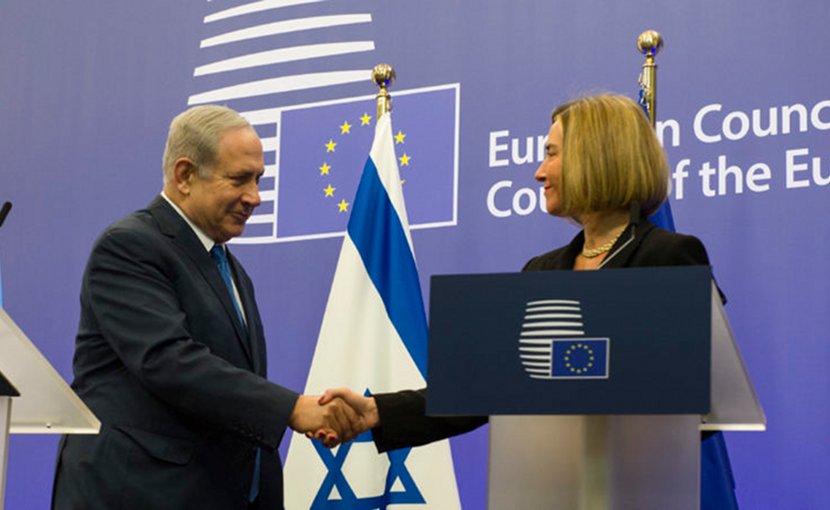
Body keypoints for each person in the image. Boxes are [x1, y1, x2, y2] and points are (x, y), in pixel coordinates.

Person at [317, 94, 737, 506]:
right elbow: (484, 387)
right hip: (550, 491)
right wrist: (375, 412)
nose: (539, 172)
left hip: (636, 492)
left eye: (551, 153)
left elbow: (702, 390)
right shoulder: (542, 271)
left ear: (598, 156)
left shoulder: (669, 256)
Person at [51, 105, 358, 510]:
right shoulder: (129, 246)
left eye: (258, 179)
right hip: (141, 493)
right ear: (184, 175)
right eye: (239, 179)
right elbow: (168, 360)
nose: (255, 197)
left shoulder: (230, 269)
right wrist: (291, 409)